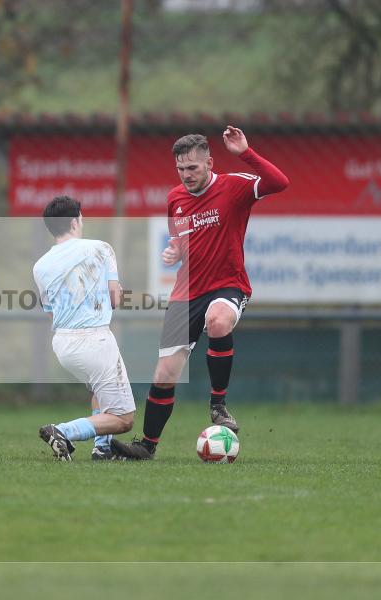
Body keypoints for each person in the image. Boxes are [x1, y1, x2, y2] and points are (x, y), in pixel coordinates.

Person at [113, 126, 289, 460]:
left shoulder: (234, 186)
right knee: (164, 375)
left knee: (218, 320)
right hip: (185, 293)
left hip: (228, 284)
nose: (186, 175)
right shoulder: (175, 199)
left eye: (192, 168)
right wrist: (174, 252)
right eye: (181, 169)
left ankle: (218, 406)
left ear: (209, 162)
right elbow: (180, 241)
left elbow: (281, 182)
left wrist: (245, 153)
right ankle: (146, 446)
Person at [33, 196, 135, 461]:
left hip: (63, 344)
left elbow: (51, 308)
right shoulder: (100, 248)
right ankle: (63, 431)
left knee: (97, 393)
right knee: (124, 419)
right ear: (77, 220)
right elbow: (115, 299)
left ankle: (102, 448)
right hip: (94, 340)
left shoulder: (40, 266)